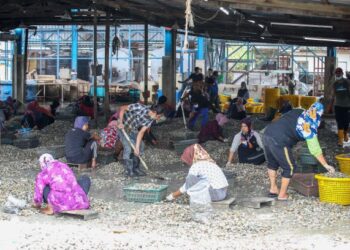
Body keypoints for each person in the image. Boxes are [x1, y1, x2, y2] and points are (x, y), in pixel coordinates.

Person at [262, 102, 335, 200]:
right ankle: (282, 195)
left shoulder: (299, 111)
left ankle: (273, 189)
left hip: (267, 132)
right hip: (279, 140)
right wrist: (326, 165)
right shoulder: (309, 128)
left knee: (272, 163)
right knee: (290, 167)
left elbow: (284, 117)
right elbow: (315, 150)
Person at [117, 103, 164, 177]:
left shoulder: (151, 119)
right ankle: (128, 170)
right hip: (123, 128)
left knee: (141, 146)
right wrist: (120, 122)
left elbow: (141, 132)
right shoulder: (139, 107)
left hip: (133, 129)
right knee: (128, 148)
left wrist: (137, 148)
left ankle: (135, 168)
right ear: (154, 112)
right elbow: (122, 108)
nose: (158, 118)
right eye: (158, 116)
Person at [330, 67, 350, 146]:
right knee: (339, 122)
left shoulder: (347, 82)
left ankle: (345, 134)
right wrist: (330, 106)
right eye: (336, 73)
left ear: (342, 73)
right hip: (338, 105)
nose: (338, 74)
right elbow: (333, 95)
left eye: (339, 73)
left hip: (347, 105)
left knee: (346, 122)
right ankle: (340, 140)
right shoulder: (335, 84)